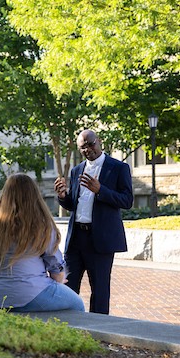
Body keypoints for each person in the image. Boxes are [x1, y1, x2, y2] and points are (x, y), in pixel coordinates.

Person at [0, 173, 85, 312]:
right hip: (27, 294)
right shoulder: (41, 224)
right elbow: (57, 272)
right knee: (77, 304)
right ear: (34, 196)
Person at [54, 129, 133, 314]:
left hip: (101, 239)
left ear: (99, 141)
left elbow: (127, 201)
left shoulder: (118, 168)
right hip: (76, 239)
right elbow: (73, 204)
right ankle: (68, 326)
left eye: (91, 144)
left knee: (99, 290)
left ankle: (99, 331)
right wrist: (63, 196)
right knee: (68, 285)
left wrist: (100, 190)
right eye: (83, 147)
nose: (88, 149)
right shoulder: (76, 170)